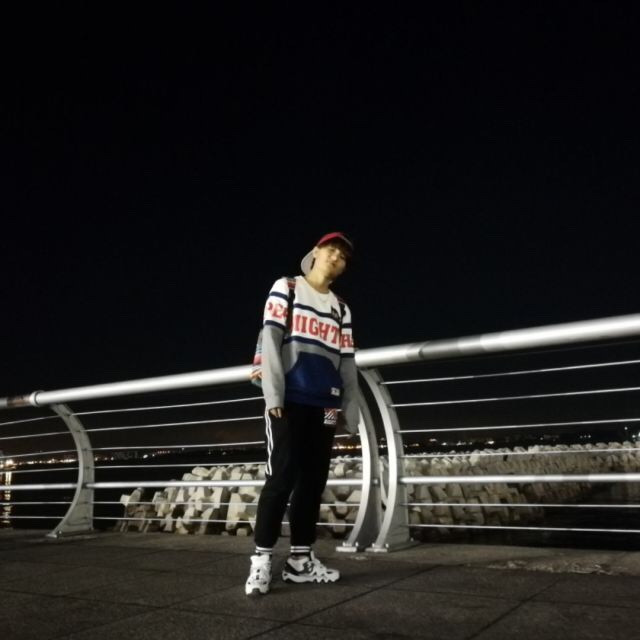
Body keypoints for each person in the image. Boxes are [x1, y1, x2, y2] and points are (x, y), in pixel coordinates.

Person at [245, 231, 359, 596]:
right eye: (331, 250)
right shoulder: (288, 287)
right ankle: (262, 561)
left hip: (325, 404)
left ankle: (300, 561)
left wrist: (351, 408)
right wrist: (273, 393)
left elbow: (347, 362)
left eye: (343, 256)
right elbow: (270, 338)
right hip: (289, 399)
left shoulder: (342, 308)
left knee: (312, 482)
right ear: (315, 252)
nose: (336, 257)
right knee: (280, 478)